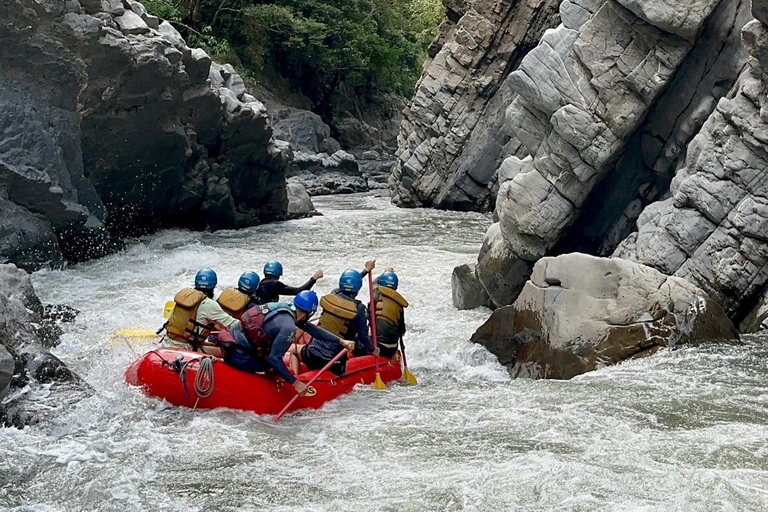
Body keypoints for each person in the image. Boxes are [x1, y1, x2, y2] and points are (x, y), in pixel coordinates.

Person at [223, 291, 354, 395]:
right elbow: (274, 359)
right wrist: (295, 383)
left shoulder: (283, 307)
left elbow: (314, 331)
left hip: (231, 346)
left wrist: (341, 341)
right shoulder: (288, 328)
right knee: (273, 367)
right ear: (309, 312)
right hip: (239, 357)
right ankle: (264, 391)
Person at [291, 263, 376, 375]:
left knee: (294, 352)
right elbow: (363, 337)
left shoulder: (333, 294)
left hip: (311, 355)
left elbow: (347, 284)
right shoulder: (359, 309)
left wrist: (365, 270)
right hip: (335, 363)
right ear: (358, 287)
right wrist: (373, 350)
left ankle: (296, 378)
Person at [162, 269, 240, 352]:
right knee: (225, 352)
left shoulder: (185, 296)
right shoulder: (209, 304)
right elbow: (234, 325)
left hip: (166, 343)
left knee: (211, 345)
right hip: (184, 349)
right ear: (213, 285)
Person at [371, 270, 408, 358]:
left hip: (378, 346)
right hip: (392, 348)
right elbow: (401, 331)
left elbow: (373, 284)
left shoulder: (375, 296)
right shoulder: (399, 304)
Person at [254, 260, 323, 305]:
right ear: (278, 274)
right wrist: (314, 278)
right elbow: (299, 291)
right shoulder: (275, 284)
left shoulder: (261, 283)